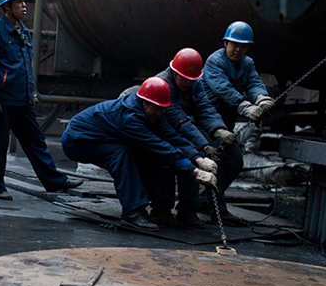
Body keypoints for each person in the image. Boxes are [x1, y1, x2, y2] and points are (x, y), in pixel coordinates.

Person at [61, 77, 218, 232]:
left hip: (104, 136)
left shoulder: (155, 109)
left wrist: (199, 159)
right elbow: (162, 148)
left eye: (161, 109)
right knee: (120, 155)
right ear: (144, 102)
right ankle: (133, 212)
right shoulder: (130, 119)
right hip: (78, 141)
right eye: (156, 109)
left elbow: (172, 136)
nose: (159, 113)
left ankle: (161, 210)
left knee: (158, 158)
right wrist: (196, 172)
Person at [0, 0, 82, 200]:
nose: (24, 6)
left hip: (22, 100)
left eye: (24, 2)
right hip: (2, 101)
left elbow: (24, 64)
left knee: (36, 142)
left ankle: (54, 181)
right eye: (19, 2)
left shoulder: (22, 31)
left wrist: (30, 91)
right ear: (6, 7)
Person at [158, 47, 244, 223]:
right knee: (168, 163)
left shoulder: (194, 83)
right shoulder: (163, 84)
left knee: (196, 159)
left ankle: (188, 211)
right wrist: (204, 146)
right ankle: (161, 210)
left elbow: (204, 108)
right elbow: (178, 119)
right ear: (174, 72)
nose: (188, 83)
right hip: (161, 129)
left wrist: (218, 129)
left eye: (191, 80)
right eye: (184, 78)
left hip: (181, 129)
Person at [202, 21, 275, 131]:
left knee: (230, 146)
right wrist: (245, 107)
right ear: (225, 43)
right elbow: (223, 89)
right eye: (235, 45)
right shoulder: (215, 61)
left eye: (243, 46)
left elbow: (254, 83)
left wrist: (261, 97)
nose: (238, 50)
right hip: (207, 116)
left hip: (228, 116)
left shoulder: (247, 63)